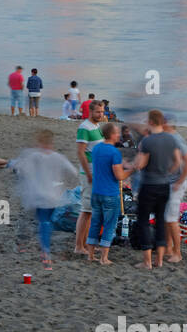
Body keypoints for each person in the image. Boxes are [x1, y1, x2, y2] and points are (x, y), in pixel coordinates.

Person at [11, 128, 79, 268]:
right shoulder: (58, 157)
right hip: (52, 196)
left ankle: (44, 251)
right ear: (51, 143)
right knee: (45, 221)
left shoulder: (33, 155)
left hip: (38, 195)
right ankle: (43, 250)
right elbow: (73, 171)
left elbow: (19, 168)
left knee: (42, 221)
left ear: (40, 142)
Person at [130, 110, 182, 270]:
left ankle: (147, 261)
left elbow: (140, 164)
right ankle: (159, 260)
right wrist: (167, 172)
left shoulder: (148, 141)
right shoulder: (171, 139)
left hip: (149, 184)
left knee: (144, 221)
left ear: (151, 122)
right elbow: (177, 162)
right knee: (160, 220)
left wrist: (133, 161)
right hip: (164, 185)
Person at [86, 122, 130, 265]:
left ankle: (91, 255)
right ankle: (104, 258)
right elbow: (119, 176)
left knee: (95, 223)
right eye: (117, 132)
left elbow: (103, 166)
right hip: (110, 194)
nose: (119, 134)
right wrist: (132, 170)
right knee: (109, 225)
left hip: (96, 192)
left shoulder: (97, 148)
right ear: (111, 134)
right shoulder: (114, 152)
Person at [72, 100, 107, 257]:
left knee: (91, 211)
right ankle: (79, 246)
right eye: (98, 112)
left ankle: (86, 243)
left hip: (98, 173)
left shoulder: (97, 127)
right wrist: (88, 173)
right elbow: (80, 153)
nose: (101, 114)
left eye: (102, 111)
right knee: (85, 210)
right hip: (89, 174)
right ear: (90, 112)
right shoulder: (84, 127)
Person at [161, 115, 187, 264]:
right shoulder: (167, 138)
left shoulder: (176, 139)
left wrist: (179, 181)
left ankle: (177, 253)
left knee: (172, 219)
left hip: (176, 184)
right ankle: (168, 248)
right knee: (166, 217)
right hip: (169, 182)